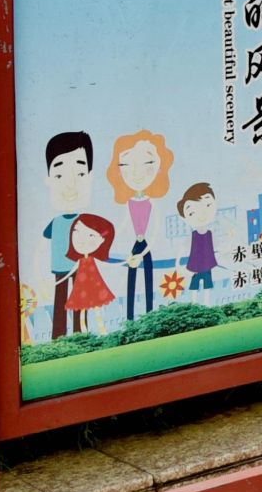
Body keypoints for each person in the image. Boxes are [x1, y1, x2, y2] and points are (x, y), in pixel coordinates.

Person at [107, 129, 174, 322]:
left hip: (146, 246)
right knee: (131, 278)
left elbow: (154, 231)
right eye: (126, 165)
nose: (137, 173)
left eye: (147, 163)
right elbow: (123, 226)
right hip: (133, 246)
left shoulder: (152, 203)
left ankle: (150, 315)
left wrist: (143, 252)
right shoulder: (128, 203)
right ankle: (129, 318)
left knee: (148, 279)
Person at [39, 131, 95, 340]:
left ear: (90, 176)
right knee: (60, 300)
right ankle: (58, 336)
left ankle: (81, 334)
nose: (70, 184)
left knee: (81, 300)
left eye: (79, 174)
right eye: (59, 175)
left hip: (80, 266)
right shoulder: (55, 222)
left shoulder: (84, 221)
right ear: (49, 180)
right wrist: (39, 275)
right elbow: (41, 247)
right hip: (60, 267)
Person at [64, 212, 118, 334]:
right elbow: (71, 271)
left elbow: (109, 265)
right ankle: (85, 333)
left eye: (91, 235)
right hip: (82, 287)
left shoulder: (94, 260)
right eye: (76, 231)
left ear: (102, 240)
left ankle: (102, 331)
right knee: (83, 309)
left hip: (95, 285)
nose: (81, 239)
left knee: (97, 309)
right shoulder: (80, 261)